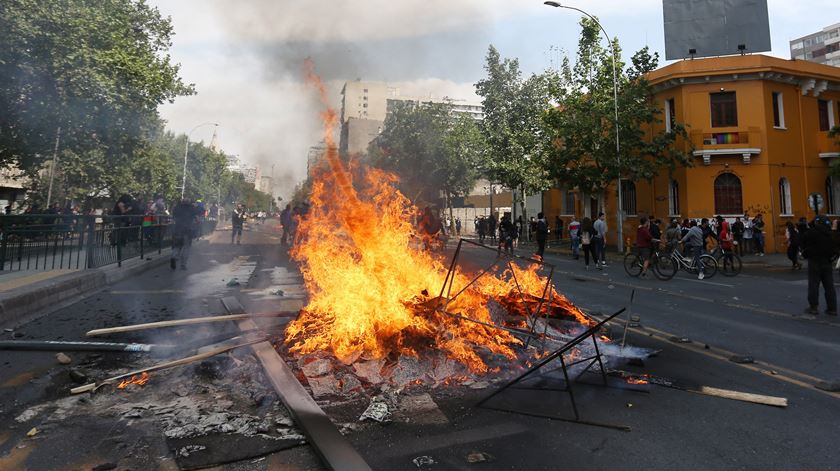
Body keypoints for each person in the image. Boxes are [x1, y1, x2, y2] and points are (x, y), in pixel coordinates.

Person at [802, 215, 838, 316]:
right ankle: (832, 308)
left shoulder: (811, 233)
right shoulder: (831, 234)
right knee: (829, 286)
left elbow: (804, 244)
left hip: (814, 261)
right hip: (827, 261)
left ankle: (813, 307)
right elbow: (835, 247)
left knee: (813, 284)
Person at [170, 198, 197, 270]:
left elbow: (173, 216)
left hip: (178, 230)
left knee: (177, 246)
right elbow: (198, 214)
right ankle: (183, 265)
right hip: (188, 231)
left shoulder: (177, 208)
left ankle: (173, 256)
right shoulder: (191, 208)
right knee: (186, 247)